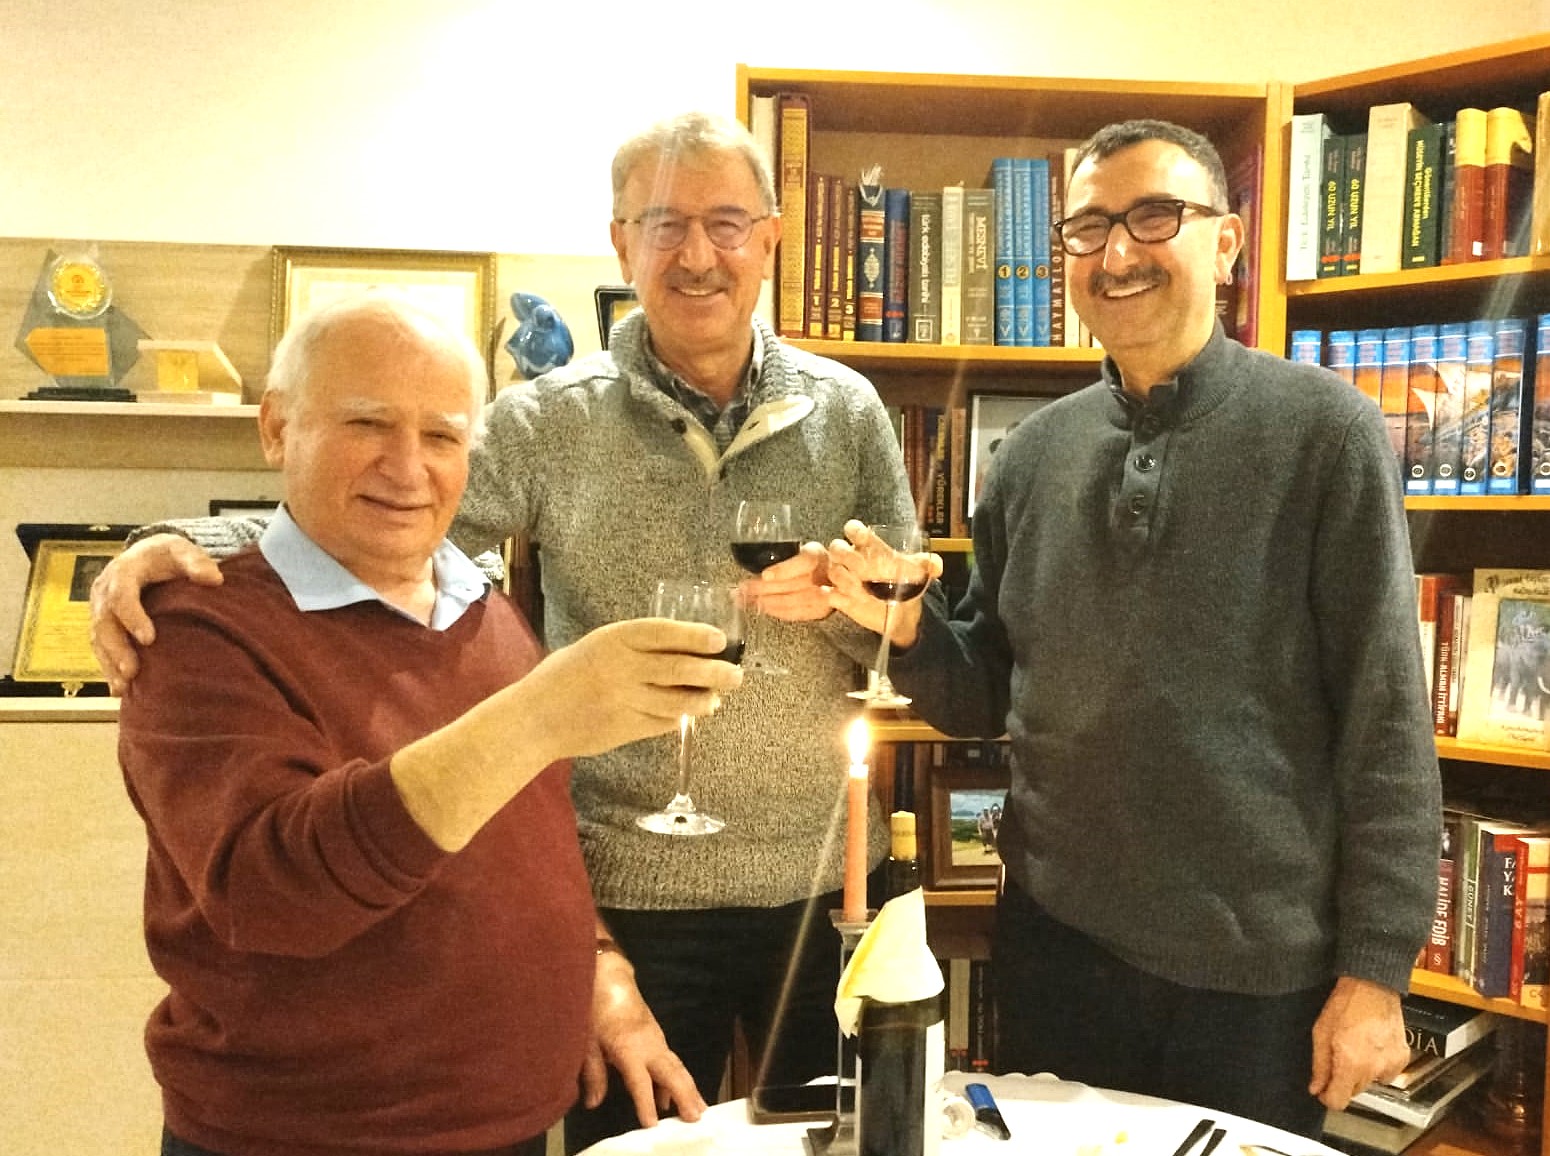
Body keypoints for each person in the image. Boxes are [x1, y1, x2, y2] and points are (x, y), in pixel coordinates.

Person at [91, 112, 915, 1152]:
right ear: (620, 242)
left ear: (772, 238)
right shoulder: (544, 417)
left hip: (820, 876)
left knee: (833, 1139)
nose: (697, 255)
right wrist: (187, 542)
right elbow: (399, 525)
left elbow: (900, 622)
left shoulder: (850, 410)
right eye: (663, 224)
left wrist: (868, 600)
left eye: (726, 224)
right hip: (626, 879)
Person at [825, 119, 1441, 1137]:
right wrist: (907, 627)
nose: (1115, 254)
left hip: (1256, 981)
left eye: (1153, 217)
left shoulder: (1326, 433)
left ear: (1226, 243)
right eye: (1087, 228)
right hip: (1057, 951)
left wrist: (1375, 972)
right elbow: (986, 690)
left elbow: (1386, 720)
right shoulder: (1029, 456)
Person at [117, 294, 740, 1156]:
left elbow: (530, 836)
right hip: (306, 1139)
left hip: (517, 1123)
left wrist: (600, 973)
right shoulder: (197, 629)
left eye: (443, 437)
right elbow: (273, 892)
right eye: (368, 423)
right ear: (277, 429)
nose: (408, 467)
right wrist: (538, 715)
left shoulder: (484, 609)